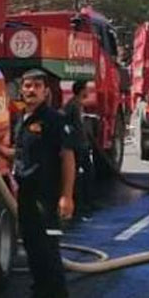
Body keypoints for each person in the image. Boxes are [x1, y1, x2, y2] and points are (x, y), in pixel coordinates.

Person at [0, 69, 75, 298]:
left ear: (46, 91)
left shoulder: (54, 120)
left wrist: (66, 196)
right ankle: (40, 296)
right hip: (26, 194)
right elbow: (19, 155)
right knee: (32, 247)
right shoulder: (23, 119)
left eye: (36, 86)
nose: (31, 90)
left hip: (47, 196)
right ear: (21, 90)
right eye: (27, 86)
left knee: (49, 249)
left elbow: (67, 157)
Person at [62, 79, 97, 218]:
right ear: (82, 90)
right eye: (86, 88)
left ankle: (87, 202)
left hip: (81, 145)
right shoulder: (72, 106)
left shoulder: (77, 104)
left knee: (87, 173)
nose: (88, 91)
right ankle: (81, 204)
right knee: (78, 175)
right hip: (76, 146)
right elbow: (68, 125)